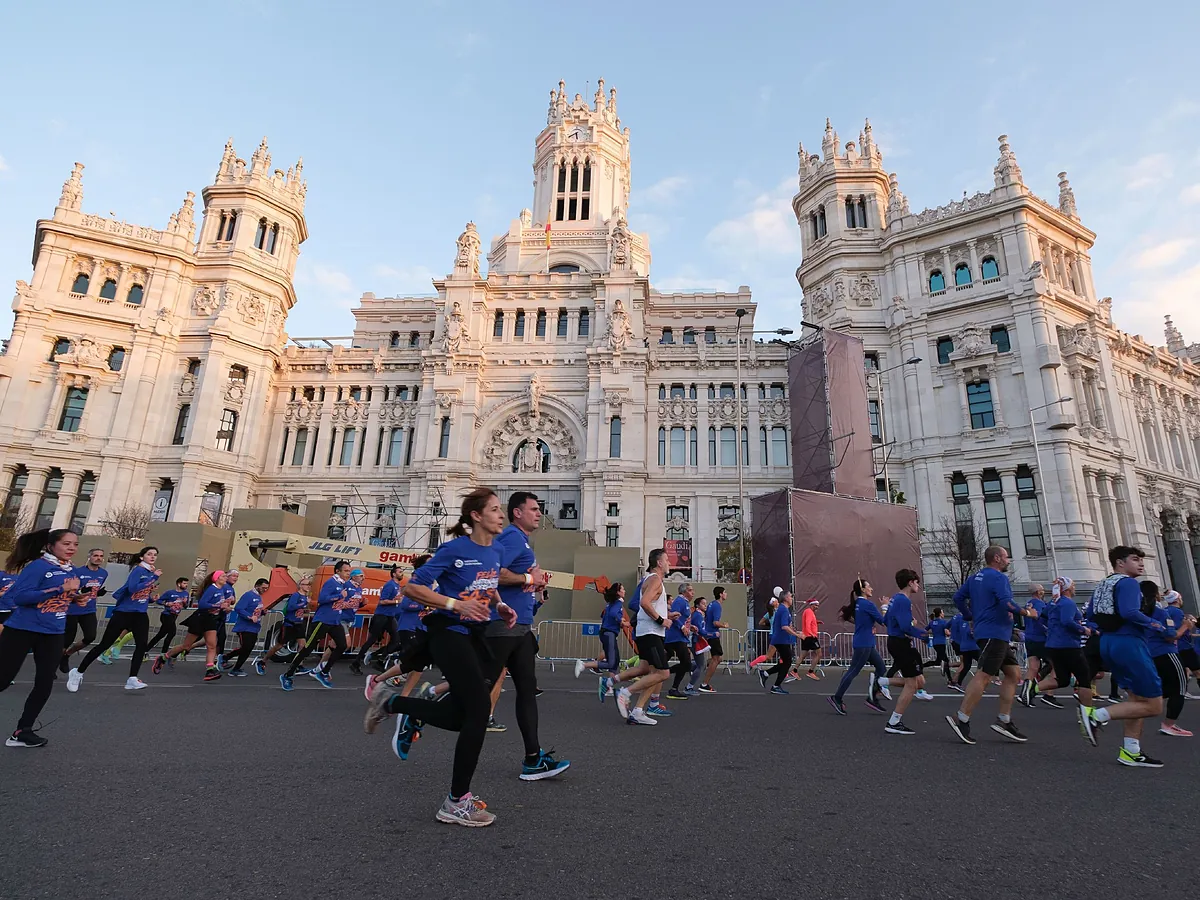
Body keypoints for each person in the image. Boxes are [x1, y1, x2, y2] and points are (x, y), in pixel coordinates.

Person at [362, 488, 516, 827]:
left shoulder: (497, 551)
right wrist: (455, 604)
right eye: (494, 509)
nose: (500, 515)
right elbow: (413, 588)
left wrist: (500, 606)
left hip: (475, 635)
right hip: (447, 632)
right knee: (478, 712)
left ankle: (391, 703)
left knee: (464, 718)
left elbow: (487, 587)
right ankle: (456, 801)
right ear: (476, 516)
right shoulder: (454, 549)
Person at [482, 491, 568, 780]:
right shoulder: (511, 538)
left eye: (539, 508)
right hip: (502, 627)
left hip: (521, 627)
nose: (538, 513)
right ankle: (414, 712)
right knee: (477, 693)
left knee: (527, 691)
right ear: (517, 512)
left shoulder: (522, 542)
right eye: (533, 509)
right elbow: (491, 573)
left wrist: (535, 586)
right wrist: (529, 579)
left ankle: (533, 758)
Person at [1078, 546, 1167, 766]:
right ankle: (1096, 716)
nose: (1141, 564)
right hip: (1129, 642)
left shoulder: (1102, 584)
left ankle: (1131, 751)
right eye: (1135, 559)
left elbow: (1090, 615)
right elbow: (1129, 612)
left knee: (1136, 699)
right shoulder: (1127, 583)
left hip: (1108, 642)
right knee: (1154, 705)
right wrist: (1153, 623)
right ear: (1120, 562)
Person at [0, 528, 81, 747]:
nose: (72, 548)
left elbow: (59, 597)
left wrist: (75, 598)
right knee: (3, 679)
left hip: (53, 632)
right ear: (50, 546)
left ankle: (22, 731)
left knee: (45, 683)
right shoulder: (38, 566)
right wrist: (59, 588)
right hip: (22, 630)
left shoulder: (71, 569)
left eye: (75, 544)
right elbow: (20, 597)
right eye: (66, 544)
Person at [946, 546, 1028, 745]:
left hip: (994, 633)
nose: (1008, 561)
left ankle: (1004, 720)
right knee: (984, 675)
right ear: (997, 558)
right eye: (1006, 557)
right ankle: (961, 718)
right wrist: (1026, 613)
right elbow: (1007, 603)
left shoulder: (975, 577)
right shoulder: (999, 578)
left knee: (1013, 674)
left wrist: (970, 616)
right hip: (994, 633)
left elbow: (958, 598)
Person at [69, 546, 161, 692]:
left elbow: (138, 595)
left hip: (140, 613)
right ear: (142, 557)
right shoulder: (138, 570)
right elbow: (132, 589)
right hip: (123, 613)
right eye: (149, 554)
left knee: (141, 645)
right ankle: (78, 672)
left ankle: (132, 678)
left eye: (155, 555)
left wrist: (150, 599)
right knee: (104, 644)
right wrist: (154, 578)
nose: (153, 557)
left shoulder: (149, 573)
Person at [613, 549, 675, 725]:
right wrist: (662, 620)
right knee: (663, 673)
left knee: (652, 672)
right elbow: (644, 603)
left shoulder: (650, 579)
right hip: (650, 633)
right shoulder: (655, 580)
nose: (669, 563)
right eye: (667, 560)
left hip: (648, 631)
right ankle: (625, 693)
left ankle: (638, 711)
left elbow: (649, 604)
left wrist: (667, 617)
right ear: (659, 563)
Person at [280, 562, 355, 690]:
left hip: (335, 622)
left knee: (342, 645)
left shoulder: (343, 585)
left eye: (349, 570)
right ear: (338, 571)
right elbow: (322, 599)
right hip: (322, 621)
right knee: (307, 648)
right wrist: (338, 596)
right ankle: (288, 675)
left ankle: (323, 672)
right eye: (346, 571)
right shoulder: (331, 582)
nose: (348, 573)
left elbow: (341, 602)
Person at [152, 570, 232, 681]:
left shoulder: (222, 589)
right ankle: (164, 657)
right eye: (223, 576)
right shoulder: (212, 589)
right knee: (186, 646)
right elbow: (202, 604)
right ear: (217, 578)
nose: (226, 577)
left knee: (212, 645)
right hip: (200, 618)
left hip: (211, 620)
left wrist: (226, 607)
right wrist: (218, 606)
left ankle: (210, 670)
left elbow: (220, 605)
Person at [828, 579, 887, 715]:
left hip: (866, 643)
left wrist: (867, 626)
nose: (871, 588)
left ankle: (872, 697)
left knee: (881, 667)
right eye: (869, 586)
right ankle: (836, 697)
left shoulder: (858, 604)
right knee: (853, 671)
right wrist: (885, 606)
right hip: (864, 644)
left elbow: (858, 620)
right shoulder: (867, 604)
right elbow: (884, 621)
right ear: (863, 590)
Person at [883, 569, 930, 735]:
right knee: (912, 684)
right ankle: (894, 721)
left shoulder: (895, 599)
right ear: (910, 582)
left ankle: (883, 682)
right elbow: (905, 627)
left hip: (895, 642)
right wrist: (923, 634)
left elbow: (885, 620)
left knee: (918, 681)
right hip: (901, 643)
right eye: (916, 582)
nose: (918, 584)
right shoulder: (903, 600)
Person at [1034, 576, 1092, 710]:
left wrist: (1050, 630)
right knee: (1084, 678)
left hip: (1053, 645)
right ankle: (1088, 714)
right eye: (1073, 585)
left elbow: (1042, 616)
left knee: (1063, 679)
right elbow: (1067, 621)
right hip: (1069, 645)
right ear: (1067, 588)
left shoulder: (1053, 603)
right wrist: (1084, 630)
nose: (1074, 587)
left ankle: (1033, 687)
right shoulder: (1068, 603)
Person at [1146, 586, 1193, 738]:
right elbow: (1170, 635)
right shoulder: (1161, 612)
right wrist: (1186, 625)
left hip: (1149, 652)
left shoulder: (1139, 613)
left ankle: (1141, 705)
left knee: (1163, 686)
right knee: (1180, 687)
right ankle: (1169, 724)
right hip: (1166, 652)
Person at [60, 548, 107, 674]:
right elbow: (69, 591)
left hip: (89, 610)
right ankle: (54, 664)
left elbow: (95, 590)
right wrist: (80, 591)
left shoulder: (103, 573)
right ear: (89, 557)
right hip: (72, 610)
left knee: (91, 636)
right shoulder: (77, 571)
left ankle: (67, 654)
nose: (98, 558)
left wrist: (98, 593)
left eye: (101, 556)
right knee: (67, 639)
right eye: (95, 555)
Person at [352, 565, 403, 675]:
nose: (402, 573)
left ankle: (380, 660)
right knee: (372, 640)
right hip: (381, 615)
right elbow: (382, 601)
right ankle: (356, 662)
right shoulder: (390, 585)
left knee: (396, 639)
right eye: (400, 571)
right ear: (394, 574)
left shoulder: (397, 586)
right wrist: (397, 602)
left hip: (390, 616)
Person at [256, 576, 312, 673]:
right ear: (300, 586)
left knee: (302, 645)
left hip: (299, 623)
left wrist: (306, 610)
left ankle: (298, 665)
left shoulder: (305, 597)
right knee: (280, 645)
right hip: (289, 624)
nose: (309, 586)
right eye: (307, 584)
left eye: (309, 584)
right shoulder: (296, 595)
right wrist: (303, 605)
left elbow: (300, 610)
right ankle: (263, 661)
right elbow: (290, 607)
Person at [576, 582, 624, 690]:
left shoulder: (611, 604)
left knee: (615, 661)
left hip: (607, 632)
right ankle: (584, 665)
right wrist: (621, 621)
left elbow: (605, 615)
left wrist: (617, 622)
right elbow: (613, 614)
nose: (624, 591)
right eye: (623, 589)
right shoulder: (617, 603)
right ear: (618, 592)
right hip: (609, 633)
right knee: (611, 662)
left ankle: (608, 686)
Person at [224, 578, 268, 677]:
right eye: (263, 588)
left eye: (266, 588)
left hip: (254, 627)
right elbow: (238, 608)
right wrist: (249, 617)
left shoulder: (259, 597)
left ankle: (234, 666)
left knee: (248, 648)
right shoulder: (248, 595)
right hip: (244, 627)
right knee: (246, 647)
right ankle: (227, 659)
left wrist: (262, 612)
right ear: (257, 586)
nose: (265, 590)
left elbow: (255, 610)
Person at [760, 590, 798, 694]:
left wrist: (794, 630)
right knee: (787, 661)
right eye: (790, 596)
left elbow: (787, 625)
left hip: (781, 639)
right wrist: (798, 635)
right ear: (785, 598)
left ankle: (767, 674)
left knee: (786, 661)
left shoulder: (783, 609)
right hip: (780, 640)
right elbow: (784, 626)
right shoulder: (783, 609)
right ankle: (774, 684)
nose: (792, 598)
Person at [145, 577, 190, 662]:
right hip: (166, 615)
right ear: (179, 584)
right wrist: (167, 603)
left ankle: (145, 650)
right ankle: (164, 654)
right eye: (184, 583)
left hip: (174, 616)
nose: (186, 585)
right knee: (172, 632)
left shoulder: (186, 594)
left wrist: (184, 602)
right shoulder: (170, 593)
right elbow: (159, 601)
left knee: (160, 635)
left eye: (187, 583)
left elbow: (186, 606)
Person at [1018, 584, 1048, 708]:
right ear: (1038, 592)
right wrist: (1047, 630)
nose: (1044, 591)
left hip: (1029, 637)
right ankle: (1044, 692)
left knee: (1032, 668)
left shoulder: (1028, 604)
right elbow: (1039, 618)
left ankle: (1024, 693)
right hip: (1041, 638)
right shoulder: (1040, 604)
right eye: (1042, 590)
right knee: (1054, 664)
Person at [664, 582, 695, 701]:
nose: (693, 593)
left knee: (686, 663)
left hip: (680, 637)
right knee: (687, 663)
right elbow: (673, 617)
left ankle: (667, 678)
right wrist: (682, 627)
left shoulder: (685, 603)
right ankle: (669, 682)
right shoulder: (679, 601)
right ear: (684, 591)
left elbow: (682, 619)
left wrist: (690, 627)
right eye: (691, 590)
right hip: (675, 636)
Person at [700, 585, 728, 692]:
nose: (726, 594)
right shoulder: (717, 605)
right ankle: (704, 684)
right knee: (716, 659)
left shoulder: (712, 604)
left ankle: (698, 665)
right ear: (720, 594)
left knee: (718, 659)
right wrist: (723, 625)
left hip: (709, 633)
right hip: (712, 634)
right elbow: (715, 622)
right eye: (725, 592)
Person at [684, 595, 709, 696]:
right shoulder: (697, 615)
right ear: (698, 605)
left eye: (705, 603)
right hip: (695, 641)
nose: (705, 605)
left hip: (695, 641)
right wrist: (710, 634)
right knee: (701, 665)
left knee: (699, 664)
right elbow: (699, 629)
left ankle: (685, 667)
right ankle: (689, 687)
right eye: (703, 603)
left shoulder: (699, 614)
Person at [927, 607, 952, 681]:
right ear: (940, 614)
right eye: (942, 612)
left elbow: (925, 630)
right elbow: (946, 632)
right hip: (941, 643)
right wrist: (952, 634)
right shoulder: (943, 622)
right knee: (946, 660)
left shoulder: (932, 622)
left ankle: (921, 666)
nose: (943, 614)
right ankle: (950, 679)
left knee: (938, 661)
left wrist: (934, 632)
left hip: (935, 643)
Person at [799, 598, 822, 679]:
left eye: (818, 605)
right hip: (810, 637)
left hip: (806, 636)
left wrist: (816, 622)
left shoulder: (809, 612)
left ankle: (794, 671)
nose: (817, 607)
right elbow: (807, 624)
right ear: (811, 604)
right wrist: (811, 634)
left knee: (802, 655)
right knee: (819, 654)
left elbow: (809, 622)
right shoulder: (809, 612)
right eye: (816, 605)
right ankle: (810, 672)